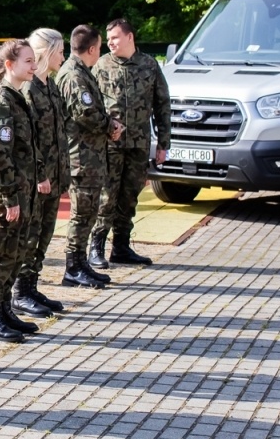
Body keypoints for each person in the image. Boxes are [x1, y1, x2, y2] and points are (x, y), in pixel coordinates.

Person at [90, 18, 170, 268]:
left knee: (130, 196)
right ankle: (96, 247)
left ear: (129, 37)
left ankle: (121, 247)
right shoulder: (101, 66)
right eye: (109, 38)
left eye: (114, 37)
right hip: (109, 145)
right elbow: (90, 104)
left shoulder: (149, 66)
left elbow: (162, 104)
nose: (110, 42)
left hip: (138, 144)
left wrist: (163, 143)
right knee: (106, 197)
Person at [0, 39, 39, 343]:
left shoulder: (17, 97)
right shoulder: (1, 100)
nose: (34, 66)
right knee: (1, 253)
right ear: (10, 65)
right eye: (28, 61)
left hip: (20, 191)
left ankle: (3, 309)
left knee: (15, 253)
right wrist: (10, 198)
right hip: (6, 196)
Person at [56, 25, 118, 290]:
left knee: (89, 211)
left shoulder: (82, 73)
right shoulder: (74, 76)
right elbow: (86, 114)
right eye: (100, 47)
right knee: (82, 213)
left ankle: (81, 263)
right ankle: (73, 267)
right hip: (80, 156)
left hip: (90, 155)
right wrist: (111, 126)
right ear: (92, 49)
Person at [15, 28, 69, 318]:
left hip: (53, 176)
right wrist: (39, 175)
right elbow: (29, 139)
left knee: (45, 234)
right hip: (37, 180)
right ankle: (20, 292)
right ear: (46, 53)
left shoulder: (51, 85)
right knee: (31, 235)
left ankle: (31, 286)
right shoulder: (29, 88)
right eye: (60, 51)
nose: (64, 56)